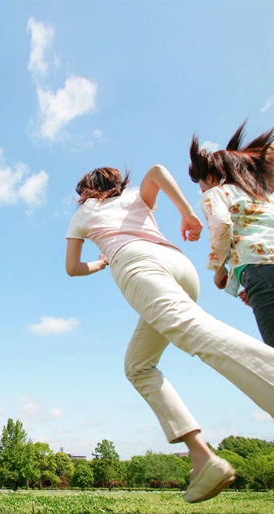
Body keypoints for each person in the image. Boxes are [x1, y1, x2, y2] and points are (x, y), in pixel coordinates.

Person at [65, 164, 274, 503]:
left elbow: (72, 268)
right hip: (180, 267)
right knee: (138, 366)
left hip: (137, 266)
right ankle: (202, 457)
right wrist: (188, 214)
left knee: (193, 331)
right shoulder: (135, 198)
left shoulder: (84, 212)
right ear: (118, 183)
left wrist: (101, 263)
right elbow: (158, 171)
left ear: (84, 190)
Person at [189, 122, 274, 347]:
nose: (203, 192)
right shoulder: (263, 195)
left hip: (258, 267)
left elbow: (221, 226)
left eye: (202, 186)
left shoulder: (216, 193)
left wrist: (219, 269)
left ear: (212, 177)